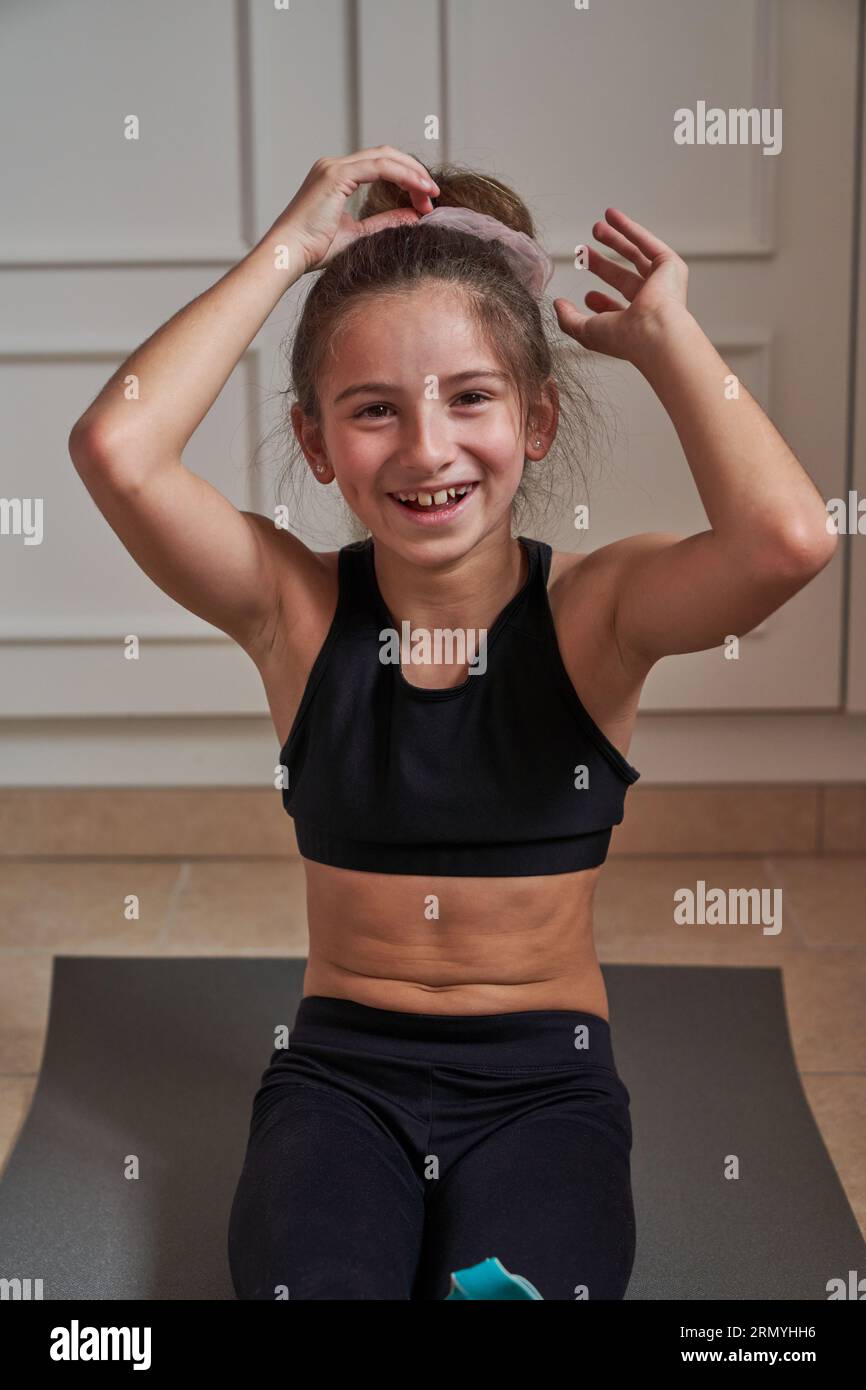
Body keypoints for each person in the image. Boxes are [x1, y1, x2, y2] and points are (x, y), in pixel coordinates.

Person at [68, 146, 836, 1300]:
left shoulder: (593, 614)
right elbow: (117, 451)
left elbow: (788, 541)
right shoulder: (296, 610)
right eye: (372, 410)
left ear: (535, 421)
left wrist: (670, 342)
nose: (426, 449)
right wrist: (288, 251)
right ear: (317, 443)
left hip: (545, 1083)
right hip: (337, 1077)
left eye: (469, 397)